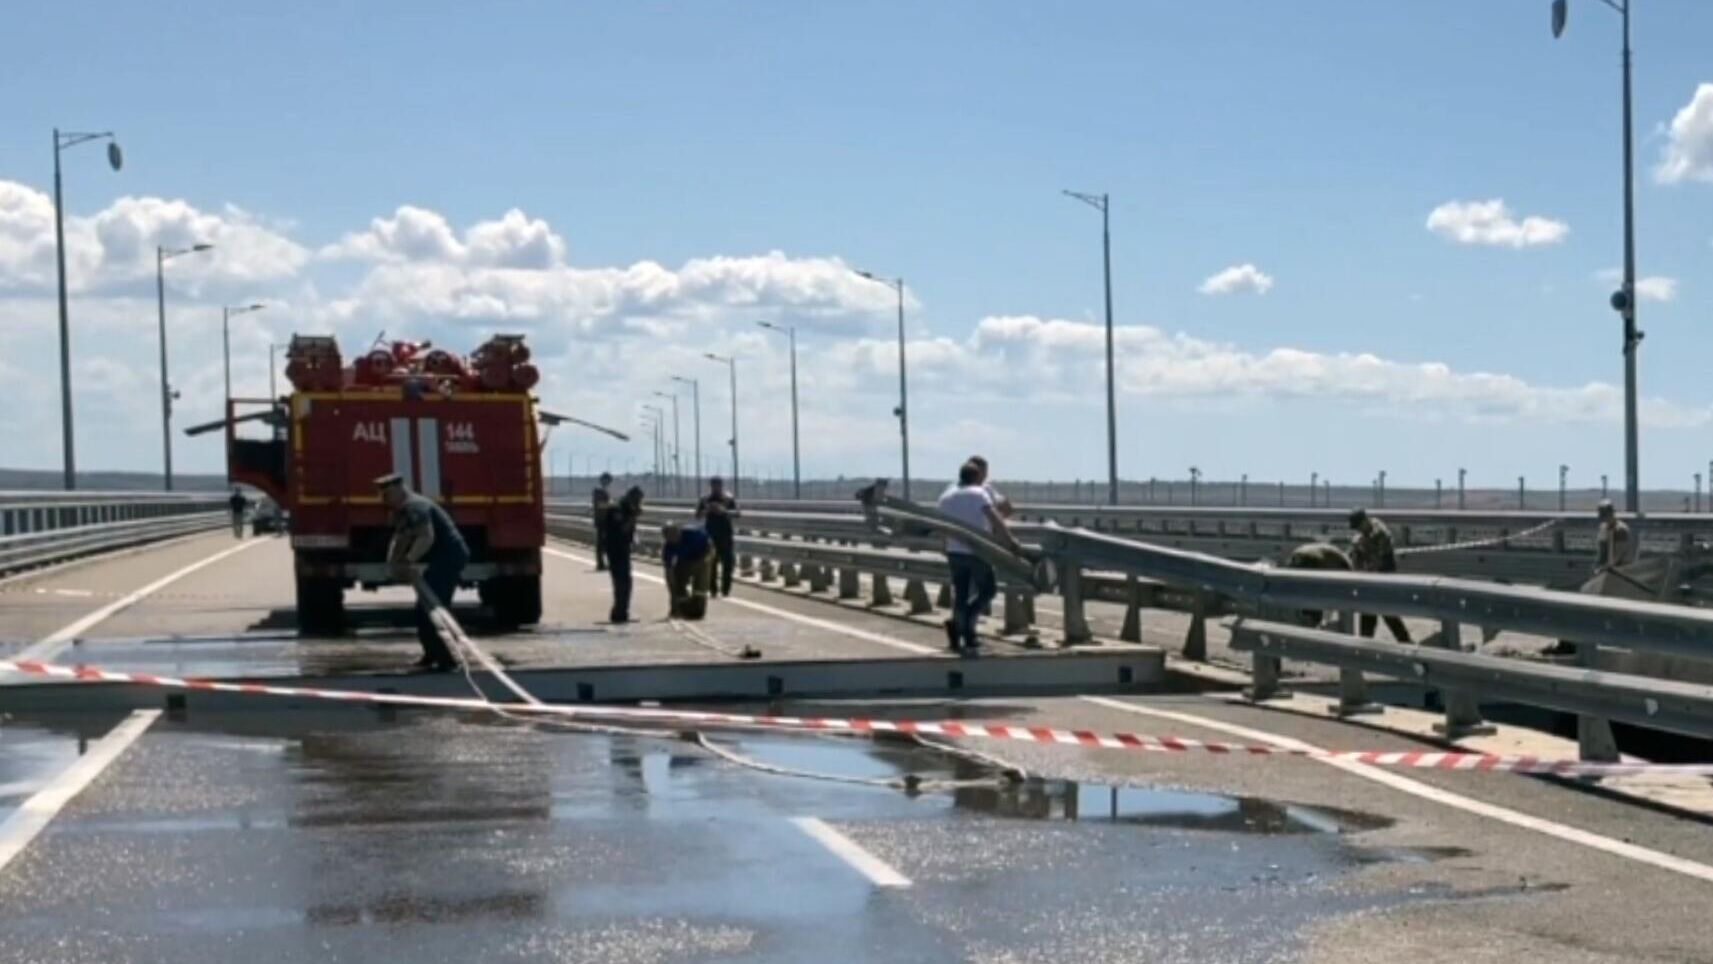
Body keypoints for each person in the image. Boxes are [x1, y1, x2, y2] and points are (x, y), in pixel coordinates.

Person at [379, 473, 469, 671]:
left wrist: (409, 560)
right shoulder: (402, 510)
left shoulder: (416, 506)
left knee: (434, 609)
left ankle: (448, 659)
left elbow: (426, 537)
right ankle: (431, 655)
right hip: (438, 559)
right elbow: (400, 538)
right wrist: (393, 564)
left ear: (399, 490)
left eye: (387, 495)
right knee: (423, 610)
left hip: (449, 557)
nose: (384, 500)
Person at [937, 460, 1021, 654]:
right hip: (976, 551)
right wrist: (1010, 542)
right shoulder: (979, 493)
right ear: (977, 477)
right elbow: (994, 518)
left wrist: (944, 546)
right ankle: (966, 625)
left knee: (961, 594)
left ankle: (959, 630)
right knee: (988, 590)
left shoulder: (946, 495)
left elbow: (941, 524)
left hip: (954, 551)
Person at [1348, 507, 1411, 642]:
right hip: (1370, 579)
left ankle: (1406, 642)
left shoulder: (1379, 533)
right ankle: (1365, 645)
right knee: (1370, 614)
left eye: (1359, 526)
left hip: (1383, 576)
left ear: (1365, 521)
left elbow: (1379, 561)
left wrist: (1362, 557)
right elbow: (1355, 555)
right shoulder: (1362, 535)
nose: (1358, 530)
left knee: (1387, 613)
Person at [1282, 542, 1352, 626]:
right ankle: (1312, 620)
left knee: (1306, 594)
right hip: (1311, 559)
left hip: (1299, 554)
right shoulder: (1344, 565)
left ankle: (1309, 619)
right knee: (1313, 596)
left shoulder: (1339, 558)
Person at [604, 486, 644, 623]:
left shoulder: (627, 508)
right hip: (615, 549)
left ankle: (622, 611)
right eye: (638, 501)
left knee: (625, 581)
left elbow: (630, 531)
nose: (639, 504)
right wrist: (633, 517)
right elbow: (622, 529)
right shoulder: (618, 509)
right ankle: (619, 613)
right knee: (622, 581)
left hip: (622, 548)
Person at [696, 476, 740, 597]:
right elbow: (698, 515)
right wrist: (708, 510)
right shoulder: (705, 499)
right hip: (710, 535)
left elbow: (737, 513)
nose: (716, 488)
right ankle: (713, 589)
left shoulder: (728, 498)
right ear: (711, 486)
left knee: (728, 563)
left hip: (726, 534)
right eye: (714, 486)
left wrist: (723, 510)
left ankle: (725, 589)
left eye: (718, 485)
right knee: (712, 563)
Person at [661, 522, 715, 619]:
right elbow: (668, 570)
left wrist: (708, 558)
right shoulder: (668, 547)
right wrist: (673, 588)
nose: (673, 539)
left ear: (678, 532)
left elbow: (709, 544)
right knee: (678, 580)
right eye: (668, 538)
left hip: (701, 555)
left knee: (700, 583)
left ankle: (698, 608)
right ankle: (681, 607)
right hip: (685, 560)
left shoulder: (693, 533)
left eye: (674, 535)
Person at [1594, 499, 1636, 571]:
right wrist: (1598, 566)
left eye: (1606, 515)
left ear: (1611, 513)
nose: (1604, 519)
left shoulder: (1621, 530)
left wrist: (1605, 568)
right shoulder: (1603, 528)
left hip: (1621, 569)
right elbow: (1602, 550)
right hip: (1607, 568)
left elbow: (1618, 555)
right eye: (1602, 516)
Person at [591, 473, 614, 572]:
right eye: (608, 481)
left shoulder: (601, 490)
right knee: (602, 542)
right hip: (602, 520)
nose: (609, 483)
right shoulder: (599, 490)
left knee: (603, 542)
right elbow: (601, 505)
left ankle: (602, 563)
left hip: (602, 519)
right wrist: (612, 505)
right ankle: (600, 563)